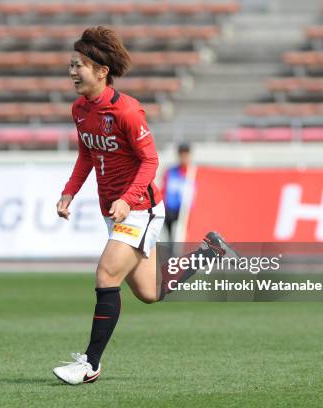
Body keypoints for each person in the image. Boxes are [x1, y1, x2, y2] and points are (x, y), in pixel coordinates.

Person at [53, 26, 233, 385]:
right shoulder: (80, 109)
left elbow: (150, 162)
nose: (73, 72)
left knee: (106, 274)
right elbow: (87, 154)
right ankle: (209, 251)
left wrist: (126, 199)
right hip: (116, 210)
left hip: (141, 209)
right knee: (150, 293)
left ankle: (90, 364)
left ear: (102, 71)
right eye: (72, 65)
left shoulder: (127, 111)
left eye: (80, 66)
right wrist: (69, 191)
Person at [162, 142, 193, 244]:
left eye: (186, 154)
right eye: (182, 154)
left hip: (187, 212)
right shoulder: (171, 172)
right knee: (172, 239)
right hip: (171, 211)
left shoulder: (193, 172)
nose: (184, 157)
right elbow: (164, 190)